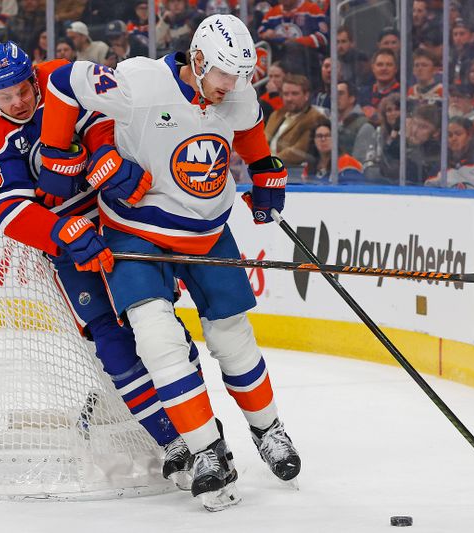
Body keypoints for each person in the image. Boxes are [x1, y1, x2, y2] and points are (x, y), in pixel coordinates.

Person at [43, 14, 301, 511]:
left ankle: (269, 430)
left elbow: (248, 129)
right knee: (158, 339)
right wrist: (77, 154)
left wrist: (266, 168)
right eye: (223, 73)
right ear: (198, 60)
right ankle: (206, 451)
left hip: (207, 230)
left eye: (240, 75)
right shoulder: (141, 81)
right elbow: (64, 82)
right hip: (134, 228)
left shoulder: (238, 90)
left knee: (232, 335)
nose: (231, 85)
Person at [0, 42, 195, 491]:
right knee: (109, 342)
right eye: (3, 96)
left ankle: (200, 426)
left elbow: (105, 116)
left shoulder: (61, 80)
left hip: (120, 219)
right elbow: (10, 210)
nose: (16, 103)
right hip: (69, 243)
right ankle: (171, 441)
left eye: (21, 90)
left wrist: (102, 156)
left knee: (156, 323)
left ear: (33, 80)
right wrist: (63, 234)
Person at [264, 74, 324, 166]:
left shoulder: (314, 117)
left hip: (292, 172)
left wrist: (268, 162)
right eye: (286, 94)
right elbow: (263, 140)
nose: (289, 98)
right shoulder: (276, 114)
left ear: (306, 95)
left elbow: (298, 152)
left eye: (295, 94)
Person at [303, 118, 365, 183]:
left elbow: (352, 190)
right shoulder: (309, 166)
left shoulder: (347, 162)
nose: (323, 139)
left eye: (328, 135)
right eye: (319, 136)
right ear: (314, 140)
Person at [336, 80, 374, 162]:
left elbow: (359, 161)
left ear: (351, 99)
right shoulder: (329, 123)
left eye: (340, 93)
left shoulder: (364, 125)